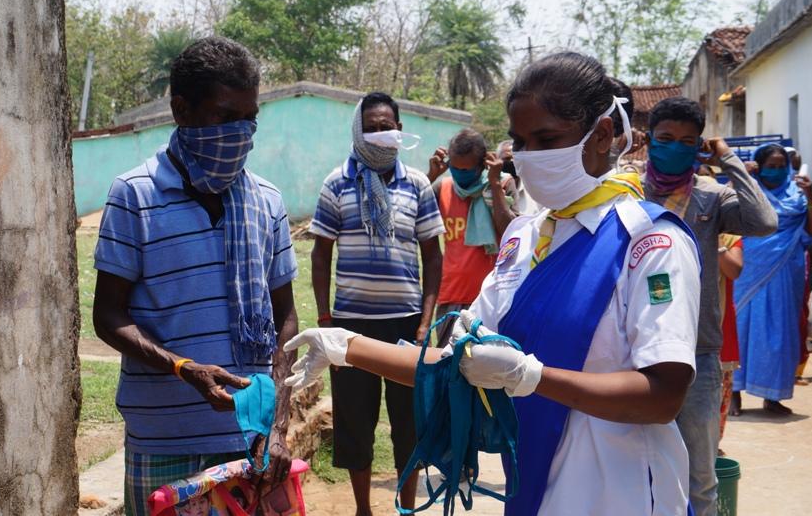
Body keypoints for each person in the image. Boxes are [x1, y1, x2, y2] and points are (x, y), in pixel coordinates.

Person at [289, 52, 701, 516]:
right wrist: (346, 345)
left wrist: (531, 377)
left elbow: (663, 397)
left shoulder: (647, 241)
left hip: (620, 496)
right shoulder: (525, 238)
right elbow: (455, 364)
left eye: (547, 139)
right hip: (532, 487)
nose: (528, 157)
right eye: (520, 142)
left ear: (602, 134)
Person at [92, 37, 299, 516]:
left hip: (251, 442)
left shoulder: (267, 201)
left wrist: (278, 424)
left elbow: (285, 316)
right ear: (181, 110)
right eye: (225, 117)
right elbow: (108, 315)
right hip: (164, 442)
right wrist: (183, 368)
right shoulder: (134, 195)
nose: (240, 132)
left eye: (250, 119)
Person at [308, 92, 444, 515]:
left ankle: (406, 508)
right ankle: (363, 509)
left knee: (409, 423)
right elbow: (320, 255)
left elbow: (433, 256)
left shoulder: (417, 184)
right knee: (354, 423)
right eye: (372, 128)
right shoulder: (337, 182)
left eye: (387, 127)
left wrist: (425, 322)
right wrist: (326, 320)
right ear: (358, 130)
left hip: (406, 325)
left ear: (399, 130)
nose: (381, 134)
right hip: (351, 327)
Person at [640, 96, 777, 516]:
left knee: (699, 477)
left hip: (696, 351)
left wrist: (728, 160)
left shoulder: (711, 197)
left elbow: (764, 222)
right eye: (665, 138)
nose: (675, 148)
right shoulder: (628, 191)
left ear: (700, 146)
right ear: (649, 139)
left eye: (687, 142)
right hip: (635, 347)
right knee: (636, 470)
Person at [731, 144, 812, 416]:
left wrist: (810, 195)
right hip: (748, 269)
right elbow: (726, 214)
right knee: (741, 329)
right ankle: (734, 392)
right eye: (770, 166)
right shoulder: (748, 189)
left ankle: (772, 396)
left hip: (786, 270)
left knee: (780, 333)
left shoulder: (797, 194)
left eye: (781, 166)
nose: (776, 171)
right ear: (759, 167)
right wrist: (741, 177)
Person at [427, 129, 515, 345]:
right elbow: (413, 216)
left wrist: (494, 184)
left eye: (466, 169)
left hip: (491, 297)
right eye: (455, 168)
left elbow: (511, 232)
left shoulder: (503, 184)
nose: (460, 174)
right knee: (447, 360)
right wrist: (430, 177)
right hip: (451, 294)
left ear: (483, 163)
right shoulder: (442, 188)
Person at [718, 234, 742, 438]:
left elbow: (734, 270)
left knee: (720, 387)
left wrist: (716, 244)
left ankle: (713, 442)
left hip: (719, 324)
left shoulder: (729, 238)